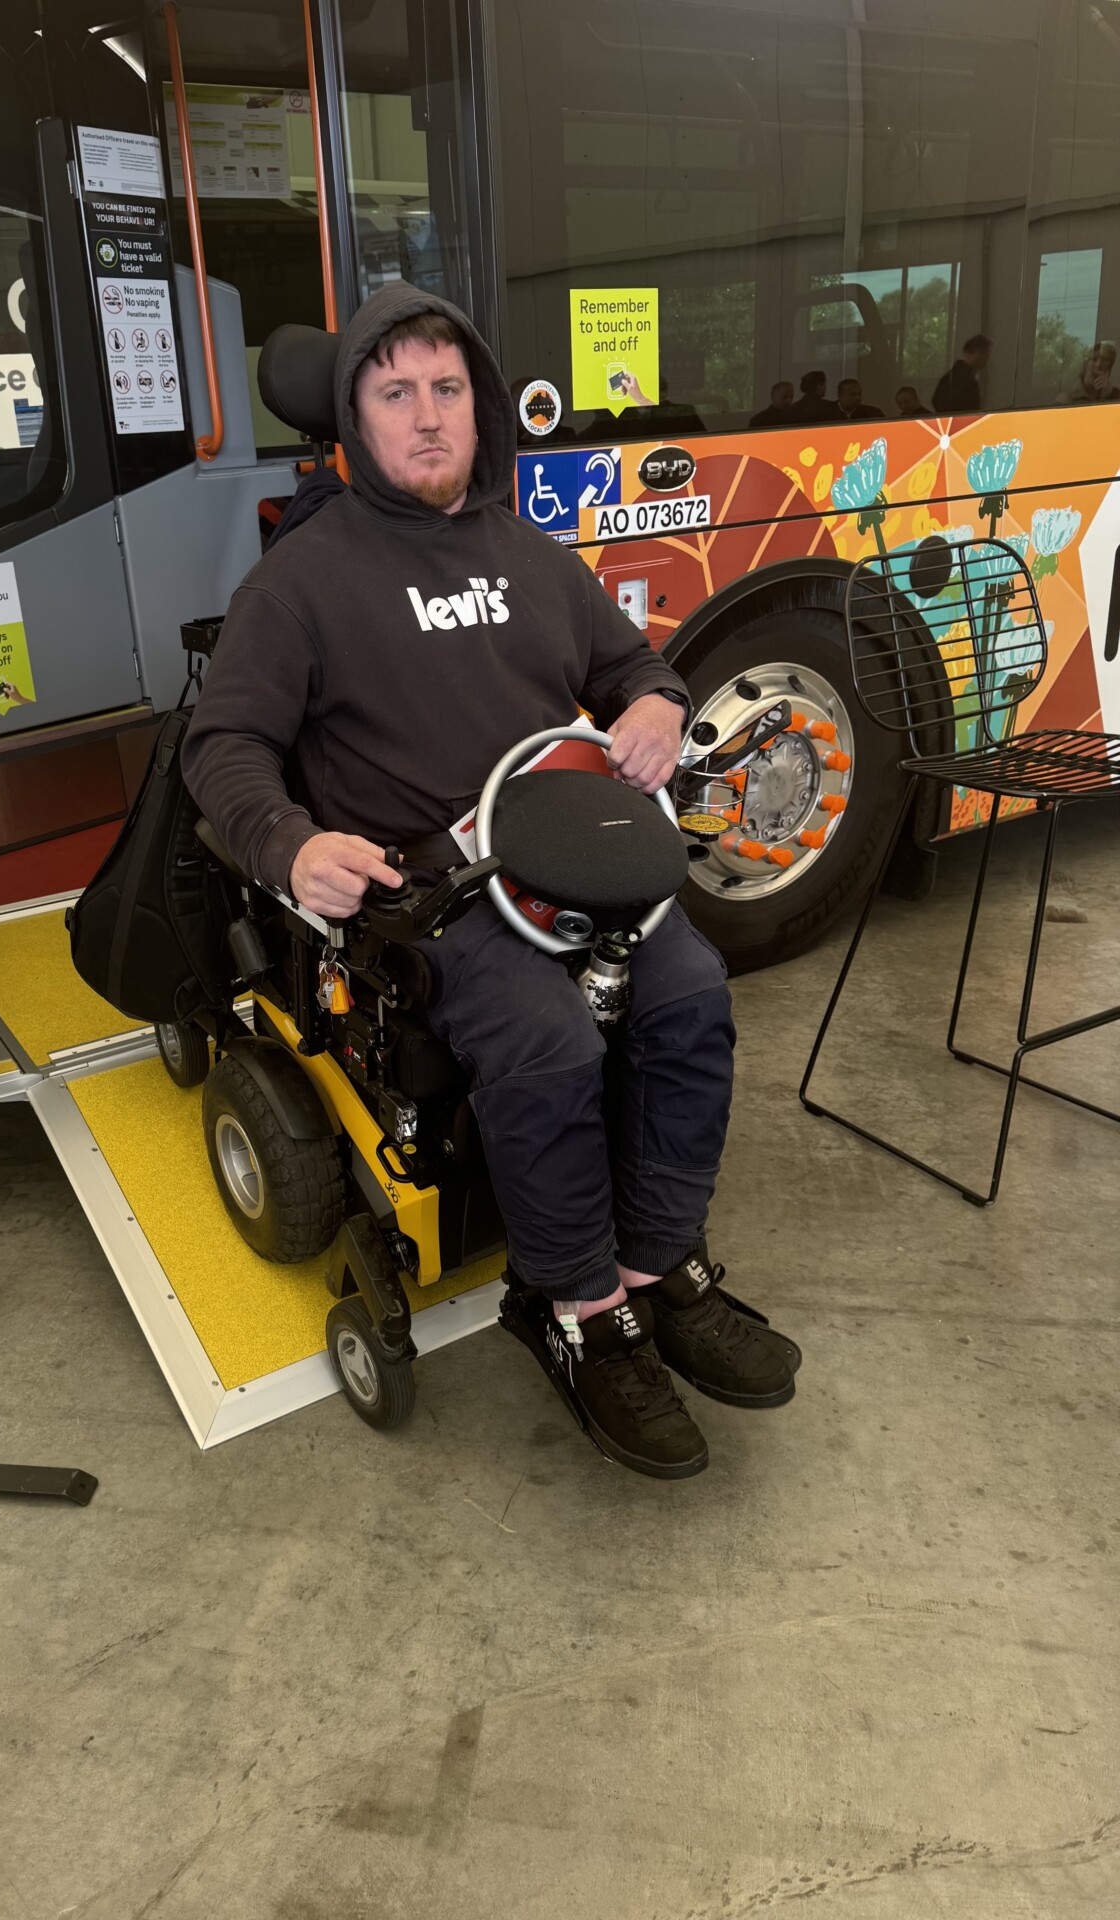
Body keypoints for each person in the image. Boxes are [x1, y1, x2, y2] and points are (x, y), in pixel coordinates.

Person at [183, 284, 798, 1479]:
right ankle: (570, 1311)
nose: (426, 416)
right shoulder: (303, 581)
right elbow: (225, 747)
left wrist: (662, 707)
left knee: (688, 993)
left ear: (480, 407)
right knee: (550, 1039)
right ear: (356, 416)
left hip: (568, 855)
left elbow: (630, 663)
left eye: (447, 389)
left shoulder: (527, 555)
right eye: (395, 391)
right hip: (431, 899)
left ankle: (651, 1271)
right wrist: (289, 843)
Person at [931, 333, 990, 414]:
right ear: (973, 353)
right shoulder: (964, 379)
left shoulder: (953, 376)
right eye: (983, 353)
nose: (987, 357)